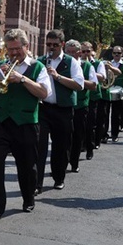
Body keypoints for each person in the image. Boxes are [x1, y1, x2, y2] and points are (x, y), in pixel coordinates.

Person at [0, 29, 50, 222]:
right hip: (0, 122)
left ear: (26, 47)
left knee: (27, 166)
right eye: (10, 49)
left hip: (26, 123)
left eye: (17, 49)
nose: (13, 54)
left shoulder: (38, 67)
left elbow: (44, 93)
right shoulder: (0, 66)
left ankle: (28, 197)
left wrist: (22, 79)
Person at [36, 30, 84, 193]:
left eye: (55, 45)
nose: (51, 48)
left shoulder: (71, 62)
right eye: (48, 44)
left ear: (62, 44)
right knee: (39, 146)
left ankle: (59, 177)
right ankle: (37, 183)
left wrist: (57, 77)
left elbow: (79, 85)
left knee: (61, 146)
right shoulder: (41, 61)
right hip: (43, 108)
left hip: (63, 109)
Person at [66, 40, 98, 173]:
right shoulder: (62, 65)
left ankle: (74, 162)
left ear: (79, 53)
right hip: (65, 105)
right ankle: (62, 164)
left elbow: (93, 85)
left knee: (78, 135)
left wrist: (77, 81)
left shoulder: (87, 66)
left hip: (80, 105)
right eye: (69, 52)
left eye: (74, 52)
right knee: (64, 136)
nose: (72, 55)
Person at [81, 42, 104, 160]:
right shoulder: (77, 63)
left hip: (93, 97)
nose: (85, 54)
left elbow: (102, 77)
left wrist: (90, 69)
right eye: (83, 51)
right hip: (81, 97)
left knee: (90, 124)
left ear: (91, 52)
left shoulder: (98, 63)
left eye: (87, 51)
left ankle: (90, 148)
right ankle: (81, 145)